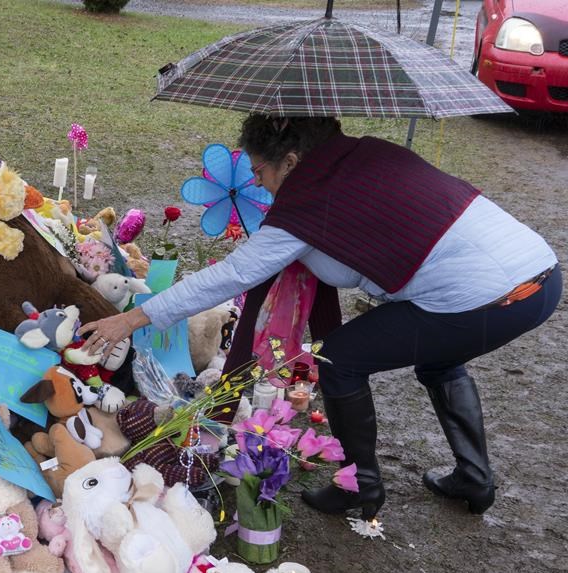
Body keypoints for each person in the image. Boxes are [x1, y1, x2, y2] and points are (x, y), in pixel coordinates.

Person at [79, 114, 561, 518]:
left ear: (291, 162)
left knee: (339, 359)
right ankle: (474, 479)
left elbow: (231, 276)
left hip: (490, 297)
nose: (257, 182)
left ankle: (361, 485)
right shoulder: (359, 154)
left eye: (259, 170)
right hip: (538, 273)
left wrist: (131, 319)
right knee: (437, 359)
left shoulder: (308, 202)